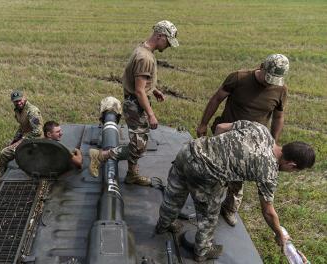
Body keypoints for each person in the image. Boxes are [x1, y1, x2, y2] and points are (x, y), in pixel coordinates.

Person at [155, 120, 315, 262]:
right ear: (292, 165)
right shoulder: (269, 173)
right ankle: (202, 252)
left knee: (174, 194)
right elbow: (268, 211)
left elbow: (220, 127)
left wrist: (217, 151)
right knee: (209, 216)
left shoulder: (261, 130)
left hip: (190, 150)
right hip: (205, 173)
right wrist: (279, 234)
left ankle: (163, 224)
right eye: (294, 171)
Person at [196, 54, 290, 226]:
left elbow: (278, 117)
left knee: (238, 177)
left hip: (254, 143)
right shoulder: (239, 78)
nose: (270, 83)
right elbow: (217, 99)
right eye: (268, 78)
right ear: (261, 66)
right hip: (225, 133)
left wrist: (273, 142)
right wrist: (203, 123)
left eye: (274, 80)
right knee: (213, 170)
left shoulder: (281, 89)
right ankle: (205, 204)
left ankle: (229, 209)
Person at [89, 20, 179, 186]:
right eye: (167, 41)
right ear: (160, 36)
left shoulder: (143, 49)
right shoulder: (145, 57)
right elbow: (139, 90)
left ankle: (132, 174)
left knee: (138, 141)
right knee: (138, 146)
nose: (168, 46)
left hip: (136, 101)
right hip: (135, 104)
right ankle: (101, 156)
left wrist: (154, 89)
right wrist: (151, 114)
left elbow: (140, 81)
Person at [0, 90, 43, 176]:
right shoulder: (18, 110)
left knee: (4, 153)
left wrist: (21, 140)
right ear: (13, 102)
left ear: (24, 98)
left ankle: (2, 176)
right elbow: (22, 126)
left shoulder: (32, 111)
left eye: (20, 100)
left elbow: (38, 131)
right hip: (27, 139)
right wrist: (15, 140)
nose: (18, 103)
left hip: (35, 141)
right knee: (8, 146)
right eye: (16, 101)